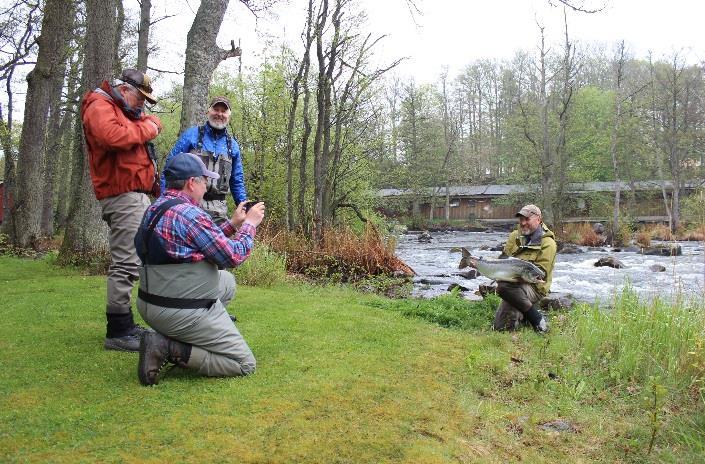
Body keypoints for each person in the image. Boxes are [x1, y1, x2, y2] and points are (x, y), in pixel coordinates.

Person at [135, 152, 264, 386]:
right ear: (191, 183)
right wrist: (250, 226)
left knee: (226, 283)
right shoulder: (190, 214)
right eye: (204, 181)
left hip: (150, 305)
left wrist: (233, 224)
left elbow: (201, 242)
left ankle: (187, 335)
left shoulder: (156, 208)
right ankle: (169, 347)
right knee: (244, 363)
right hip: (179, 310)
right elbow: (233, 256)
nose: (207, 187)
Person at [81, 68, 163, 352]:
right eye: (140, 97)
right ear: (124, 89)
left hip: (136, 195)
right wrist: (149, 127)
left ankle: (126, 325)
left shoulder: (121, 111)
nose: (141, 104)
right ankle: (118, 330)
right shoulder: (99, 104)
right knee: (126, 262)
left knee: (136, 259)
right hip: (122, 196)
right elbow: (112, 137)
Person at [164, 96, 247, 224]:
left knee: (219, 243)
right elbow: (170, 169)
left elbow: (237, 180)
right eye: (216, 109)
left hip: (219, 210)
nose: (219, 114)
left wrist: (244, 207)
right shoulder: (191, 136)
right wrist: (165, 201)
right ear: (208, 111)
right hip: (189, 205)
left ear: (229, 116)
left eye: (223, 111)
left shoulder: (233, 146)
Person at [493, 204, 557, 333]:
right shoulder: (514, 236)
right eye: (521, 219)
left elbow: (541, 274)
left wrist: (511, 276)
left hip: (535, 287)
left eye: (527, 219)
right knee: (500, 328)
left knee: (504, 287)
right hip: (512, 283)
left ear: (538, 219)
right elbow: (503, 259)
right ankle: (526, 315)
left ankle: (536, 319)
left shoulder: (548, 243)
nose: (523, 223)